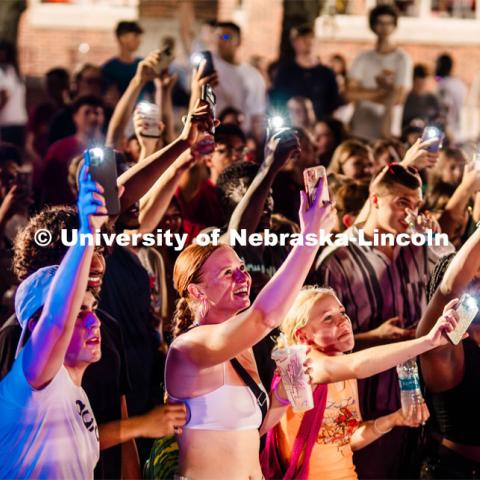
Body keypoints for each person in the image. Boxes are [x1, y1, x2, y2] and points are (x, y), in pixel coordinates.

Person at [165, 175, 336, 479]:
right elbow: (264, 317)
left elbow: (250, 431)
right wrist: (309, 238)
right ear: (196, 291)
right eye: (228, 274)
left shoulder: (239, 345)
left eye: (242, 268)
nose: (243, 278)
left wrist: (283, 395)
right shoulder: (188, 348)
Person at [314, 163, 443, 479]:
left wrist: (439, 244)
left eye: (415, 205)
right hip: (365, 408)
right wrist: (376, 336)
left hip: (416, 400)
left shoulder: (421, 250)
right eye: (401, 202)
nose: (410, 213)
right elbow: (321, 346)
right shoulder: (338, 258)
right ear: (374, 200)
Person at [263, 286, 460, 479]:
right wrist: (427, 342)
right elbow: (357, 366)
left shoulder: (344, 371)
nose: (343, 321)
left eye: (342, 312)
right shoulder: (302, 366)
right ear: (302, 335)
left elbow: (347, 440)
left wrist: (395, 419)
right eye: (328, 318)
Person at [0, 163, 106, 478]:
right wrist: (87, 231)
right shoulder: (31, 386)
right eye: (79, 312)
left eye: (92, 308)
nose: (94, 322)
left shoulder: (74, 393)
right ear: (35, 326)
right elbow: (56, 323)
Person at [347, 5, 412, 140]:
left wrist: (363, 93)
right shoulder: (363, 58)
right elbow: (349, 93)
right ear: (373, 25)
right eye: (380, 23)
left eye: (388, 23)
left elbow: (398, 97)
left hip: (387, 131)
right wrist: (384, 92)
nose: (384, 28)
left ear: (394, 26)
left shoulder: (402, 59)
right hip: (360, 129)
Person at [41, 95, 105, 206]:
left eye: (97, 113)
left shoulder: (110, 149)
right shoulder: (58, 150)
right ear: (75, 117)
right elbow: (48, 189)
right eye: (87, 112)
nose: (93, 118)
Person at [270, 24, 342, 121]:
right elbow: (277, 100)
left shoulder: (326, 73)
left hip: (319, 126)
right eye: (302, 39)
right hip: (292, 126)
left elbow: (334, 103)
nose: (307, 42)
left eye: (310, 38)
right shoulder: (286, 72)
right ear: (294, 43)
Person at [212, 21, 267, 134]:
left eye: (226, 36)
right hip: (212, 133)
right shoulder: (208, 69)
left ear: (239, 41)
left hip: (241, 136)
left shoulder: (253, 76)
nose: (221, 41)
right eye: (218, 36)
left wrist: (257, 142)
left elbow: (257, 114)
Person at [102, 21, 147, 97]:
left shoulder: (143, 64)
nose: (139, 40)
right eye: (135, 36)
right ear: (122, 38)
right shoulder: (109, 68)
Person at [435, 53, 467, 143]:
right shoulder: (460, 83)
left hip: (448, 134)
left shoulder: (444, 85)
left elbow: (445, 110)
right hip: (460, 132)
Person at [0, 40, 27, 149]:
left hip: (6, 122)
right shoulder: (16, 72)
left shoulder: (3, 72)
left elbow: (4, 95)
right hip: (19, 121)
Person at [402, 64, 441, 131]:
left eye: (422, 84)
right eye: (417, 84)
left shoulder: (432, 99)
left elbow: (438, 118)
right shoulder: (405, 98)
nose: (420, 87)